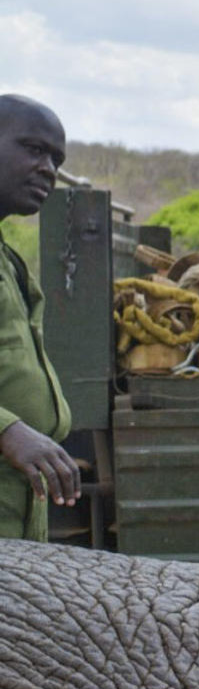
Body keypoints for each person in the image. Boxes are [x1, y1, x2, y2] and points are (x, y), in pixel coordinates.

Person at [0, 95, 79, 540]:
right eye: (33, 149)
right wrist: (8, 431)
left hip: (18, 505)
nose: (48, 168)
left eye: (56, 158)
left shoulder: (9, 260)